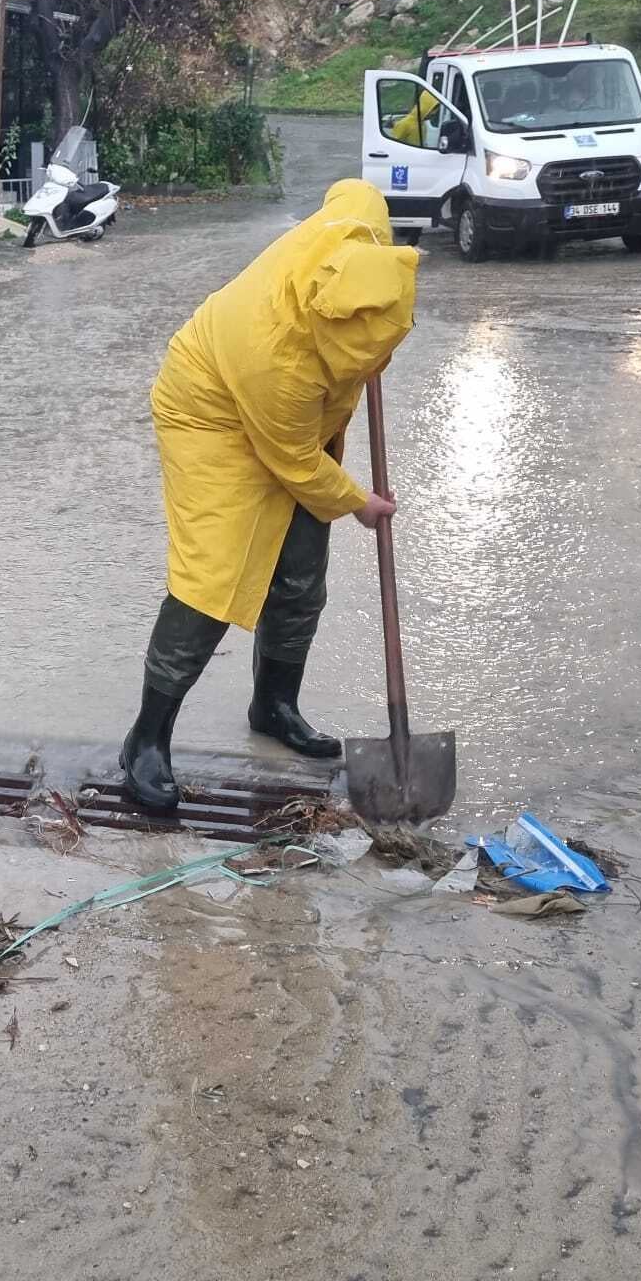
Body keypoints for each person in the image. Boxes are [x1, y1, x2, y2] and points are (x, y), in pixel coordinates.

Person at [119, 179, 418, 811]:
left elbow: (355, 191)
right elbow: (296, 463)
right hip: (210, 412)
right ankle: (146, 739)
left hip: (300, 422)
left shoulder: (360, 237)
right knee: (214, 578)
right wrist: (360, 503)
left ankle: (274, 706)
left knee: (301, 574)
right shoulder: (275, 358)